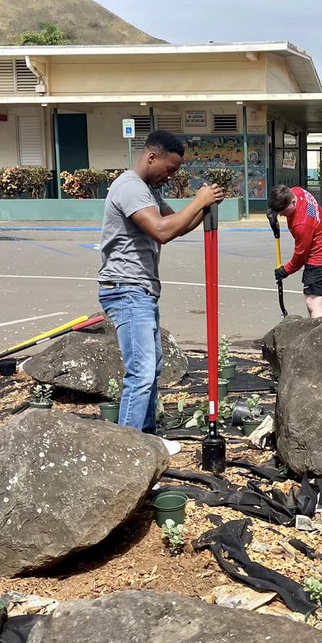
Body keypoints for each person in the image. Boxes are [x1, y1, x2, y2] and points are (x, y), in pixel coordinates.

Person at [98, 131, 223, 433]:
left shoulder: (147, 190)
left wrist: (204, 205)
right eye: (169, 169)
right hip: (126, 289)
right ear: (151, 157)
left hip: (140, 289)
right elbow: (162, 231)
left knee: (150, 369)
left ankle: (148, 438)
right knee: (140, 372)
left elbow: (178, 224)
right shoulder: (130, 188)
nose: (170, 177)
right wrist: (198, 201)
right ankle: (127, 448)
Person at [268, 183, 322, 318]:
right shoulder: (297, 191)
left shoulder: (301, 224)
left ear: (293, 201)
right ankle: (315, 332)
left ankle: (321, 337)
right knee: (311, 301)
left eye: (284, 212)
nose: (283, 216)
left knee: (313, 303)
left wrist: (286, 270)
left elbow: (301, 255)